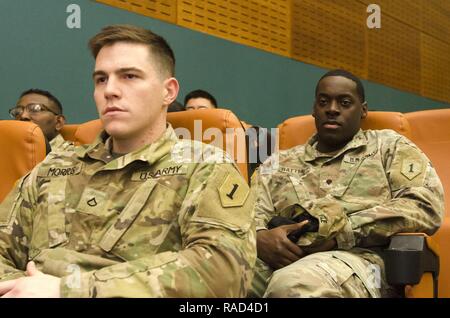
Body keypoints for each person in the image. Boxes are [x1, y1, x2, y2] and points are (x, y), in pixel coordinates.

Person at [0, 24, 255, 298]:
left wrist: (68, 291)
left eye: (129, 76)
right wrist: (22, 288)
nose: (110, 90)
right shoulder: (55, 166)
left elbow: (223, 273)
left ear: (168, 92)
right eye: (101, 79)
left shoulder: (204, 166)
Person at [249, 69, 444, 298]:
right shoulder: (278, 162)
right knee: (211, 278)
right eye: (324, 102)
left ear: (363, 110)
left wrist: (341, 233)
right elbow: (246, 214)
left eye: (344, 102)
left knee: (294, 285)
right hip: (279, 257)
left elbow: (424, 205)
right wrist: (259, 238)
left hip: (364, 262)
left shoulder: (388, 146)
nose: (332, 109)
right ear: (314, 109)